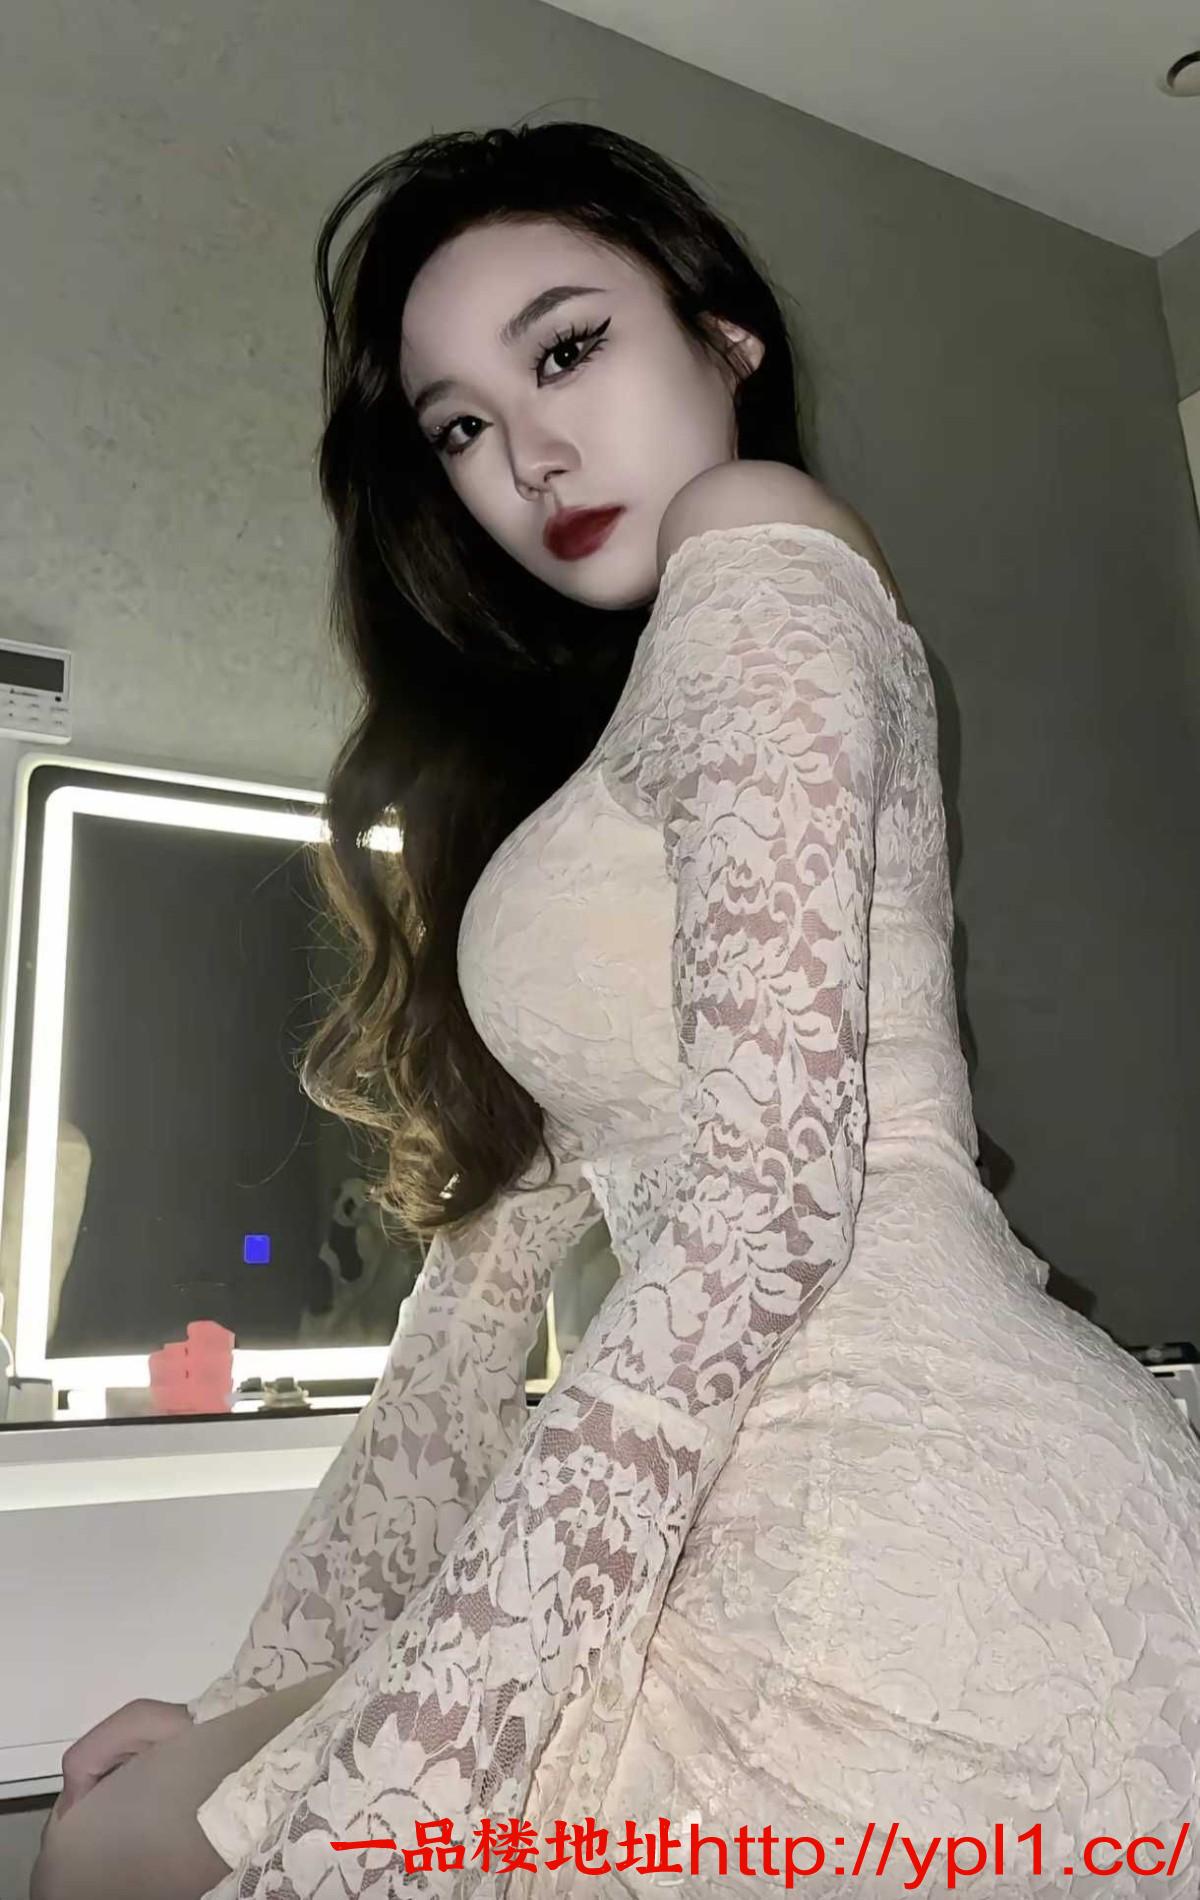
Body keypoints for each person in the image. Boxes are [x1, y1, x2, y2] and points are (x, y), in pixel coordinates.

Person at [33, 120, 1200, 1900]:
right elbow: (473, 1311)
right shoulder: (597, 753)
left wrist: (415, 1741)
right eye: (460, 428)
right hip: (714, 1476)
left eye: (568, 348)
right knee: (116, 1833)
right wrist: (251, 1704)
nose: (528, 456)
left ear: (726, 337)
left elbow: (771, 1196)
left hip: (892, 1484)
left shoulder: (760, 528)